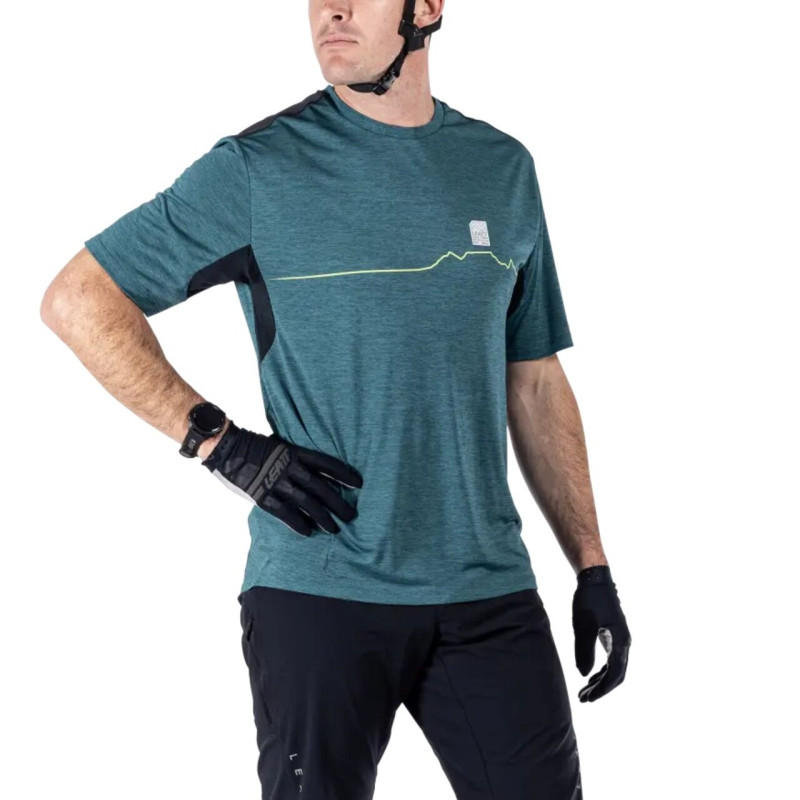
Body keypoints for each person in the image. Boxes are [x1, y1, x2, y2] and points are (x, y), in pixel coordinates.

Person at [40, 0, 632, 797]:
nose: (333, 10)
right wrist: (220, 444)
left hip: (487, 591)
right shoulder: (258, 168)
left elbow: (534, 379)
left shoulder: (502, 168)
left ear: (427, 9)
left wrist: (592, 567)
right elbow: (79, 299)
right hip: (319, 588)